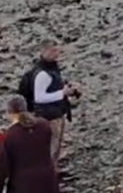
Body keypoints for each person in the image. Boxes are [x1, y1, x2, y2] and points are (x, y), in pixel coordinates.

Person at [18, 41, 80, 170]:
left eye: (57, 50)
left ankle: (48, 172)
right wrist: (63, 93)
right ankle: (49, 174)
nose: (56, 54)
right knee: (51, 149)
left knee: (51, 148)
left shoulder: (49, 69)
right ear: (43, 52)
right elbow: (39, 98)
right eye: (52, 51)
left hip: (50, 114)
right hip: (49, 116)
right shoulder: (43, 74)